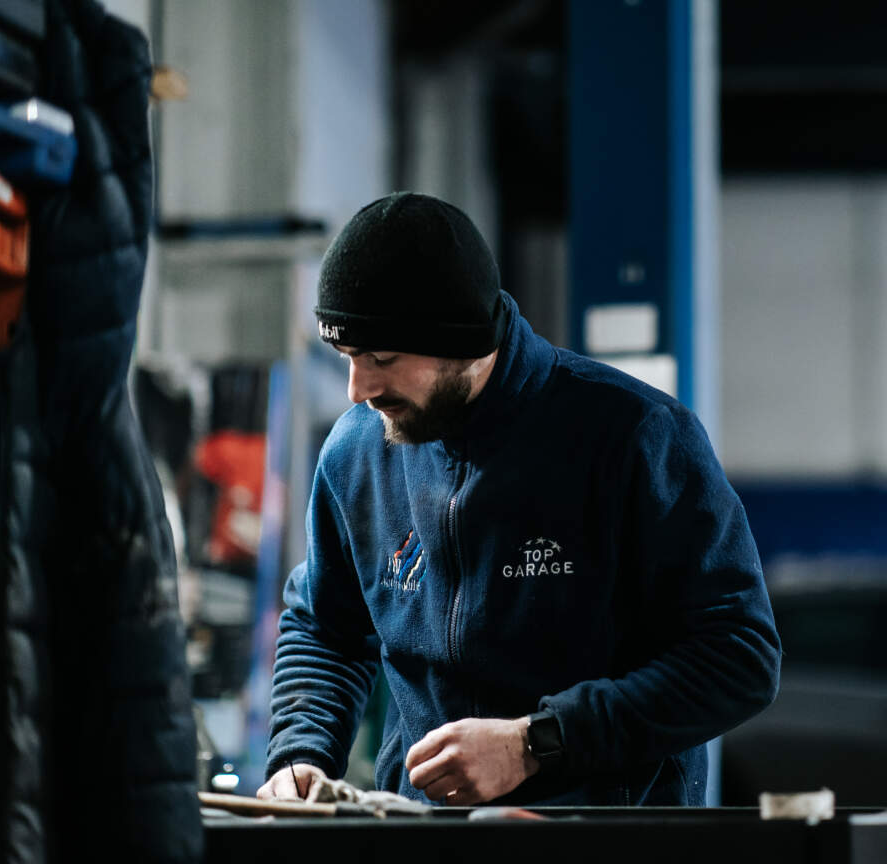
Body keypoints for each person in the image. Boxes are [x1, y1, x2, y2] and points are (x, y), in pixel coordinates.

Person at [257, 192, 781, 807]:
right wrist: (299, 755)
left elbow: (739, 656)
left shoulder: (633, 439)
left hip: (605, 849)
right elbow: (325, 627)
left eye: (382, 358)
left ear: (464, 339)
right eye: (347, 357)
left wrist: (539, 741)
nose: (358, 389)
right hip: (424, 843)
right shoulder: (355, 455)